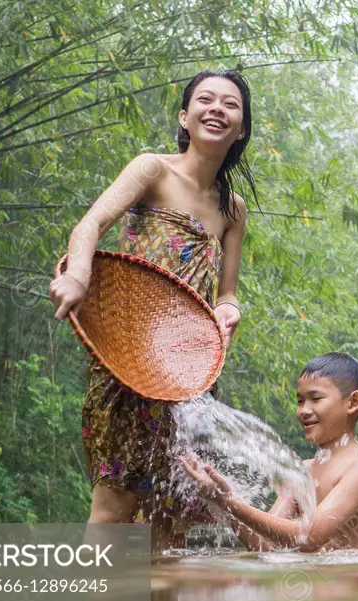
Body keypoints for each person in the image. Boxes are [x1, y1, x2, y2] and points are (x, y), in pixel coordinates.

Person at [48, 70, 256, 549]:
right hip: (127, 362)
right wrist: (78, 276)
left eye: (230, 104)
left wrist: (229, 311)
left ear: (241, 128)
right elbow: (91, 224)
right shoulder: (152, 170)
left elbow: (227, 292)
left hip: (188, 374)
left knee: (174, 514)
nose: (217, 109)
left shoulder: (233, 209)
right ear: (185, 116)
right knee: (115, 506)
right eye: (205, 100)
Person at [181, 352, 358, 552]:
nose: (303, 411)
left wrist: (230, 502)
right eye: (300, 401)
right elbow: (264, 546)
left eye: (316, 399)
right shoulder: (303, 471)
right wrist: (221, 501)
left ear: (353, 402)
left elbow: (309, 537)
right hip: (322, 586)